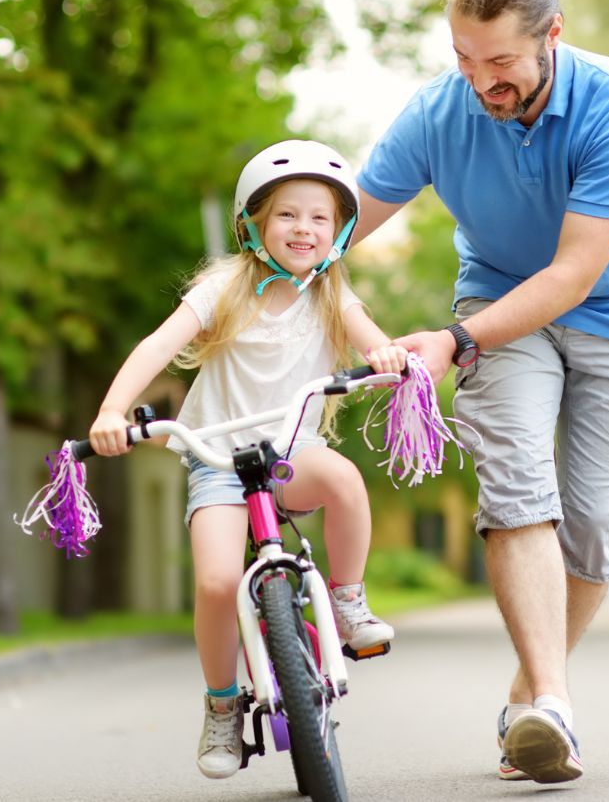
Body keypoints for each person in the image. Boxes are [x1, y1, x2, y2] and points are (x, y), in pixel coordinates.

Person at [352, 0, 609, 785]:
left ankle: (531, 697)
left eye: (500, 62)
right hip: (500, 309)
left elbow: (575, 273)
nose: (480, 82)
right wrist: (264, 256)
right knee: (517, 486)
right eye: (463, 58)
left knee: (597, 524)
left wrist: (453, 345)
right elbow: (341, 220)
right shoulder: (439, 112)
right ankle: (554, 711)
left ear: (553, 37)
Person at [87, 139, 408, 780]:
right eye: (288, 214)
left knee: (344, 479)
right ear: (255, 223)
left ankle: (346, 600)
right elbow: (157, 346)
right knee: (213, 583)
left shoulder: (330, 293)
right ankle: (222, 704)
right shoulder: (224, 287)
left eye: (320, 217)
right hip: (218, 461)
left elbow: (375, 343)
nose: (304, 228)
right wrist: (111, 411)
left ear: (339, 230)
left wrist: (388, 357)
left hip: (294, 454)